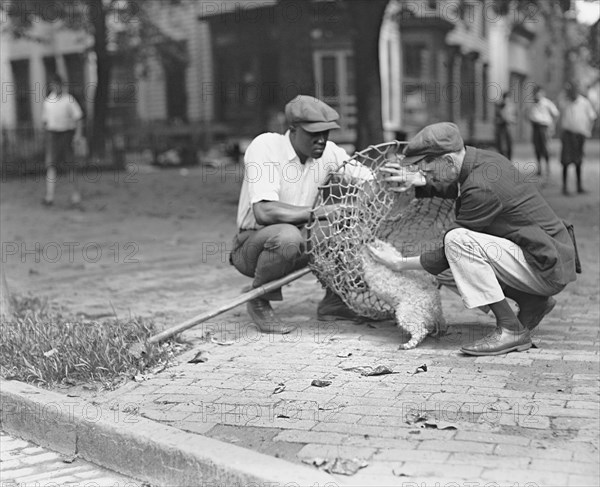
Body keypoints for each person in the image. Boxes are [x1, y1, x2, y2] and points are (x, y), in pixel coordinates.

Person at [367, 122, 578, 356]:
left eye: (428, 170)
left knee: (456, 242)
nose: (425, 174)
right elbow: (463, 187)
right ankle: (532, 301)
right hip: (544, 257)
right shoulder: (484, 161)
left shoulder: (481, 186)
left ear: (448, 160)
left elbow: (448, 251)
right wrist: (423, 183)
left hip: (545, 267)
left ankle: (510, 329)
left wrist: (398, 262)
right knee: (449, 265)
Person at [230, 95, 373, 334]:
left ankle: (334, 302)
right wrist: (319, 212)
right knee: (288, 236)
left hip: (300, 241)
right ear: (293, 130)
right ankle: (259, 299)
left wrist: (357, 209)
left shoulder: (328, 152)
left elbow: (369, 180)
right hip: (253, 247)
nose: (321, 140)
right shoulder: (266, 146)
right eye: (313, 133)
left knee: (339, 224)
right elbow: (264, 212)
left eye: (326, 133)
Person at [41, 74, 85, 207]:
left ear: (62, 85)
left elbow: (78, 118)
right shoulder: (48, 101)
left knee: (70, 165)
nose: (56, 87)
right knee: (51, 165)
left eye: (58, 85)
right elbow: (44, 121)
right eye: (54, 85)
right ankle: (50, 196)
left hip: (66, 135)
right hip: (53, 135)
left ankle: (75, 196)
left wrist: (78, 135)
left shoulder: (69, 100)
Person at [558, 82, 598, 195]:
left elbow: (592, 117)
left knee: (578, 160)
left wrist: (588, 131)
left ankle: (579, 186)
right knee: (565, 161)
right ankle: (564, 187)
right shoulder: (564, 102)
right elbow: (559, 114)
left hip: (579, 136)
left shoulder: (584, 102)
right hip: (567, 135)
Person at [527, 85, 559, 176]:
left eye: (538, 93)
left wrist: (552, 126)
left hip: (544, 127)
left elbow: (556, 114)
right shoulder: (531, 103)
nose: (536, 95)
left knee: (545, 148)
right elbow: (526, 114)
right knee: (537, 147)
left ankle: (547, 168)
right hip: (535, 127)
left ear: (542, 93)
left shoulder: (547, 103)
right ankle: (539, 167)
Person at [494, 92, 516, 160]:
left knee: (509, 146)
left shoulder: (512, 107)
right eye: (506, 99)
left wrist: (511, 119)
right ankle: (502, 160)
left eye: (508, 99)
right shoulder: (499, 107)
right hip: (501, 129)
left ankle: (509, 160)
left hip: (509, 128)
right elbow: (496, 119)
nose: (507, 101)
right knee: (501, 146)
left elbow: (516, 118)